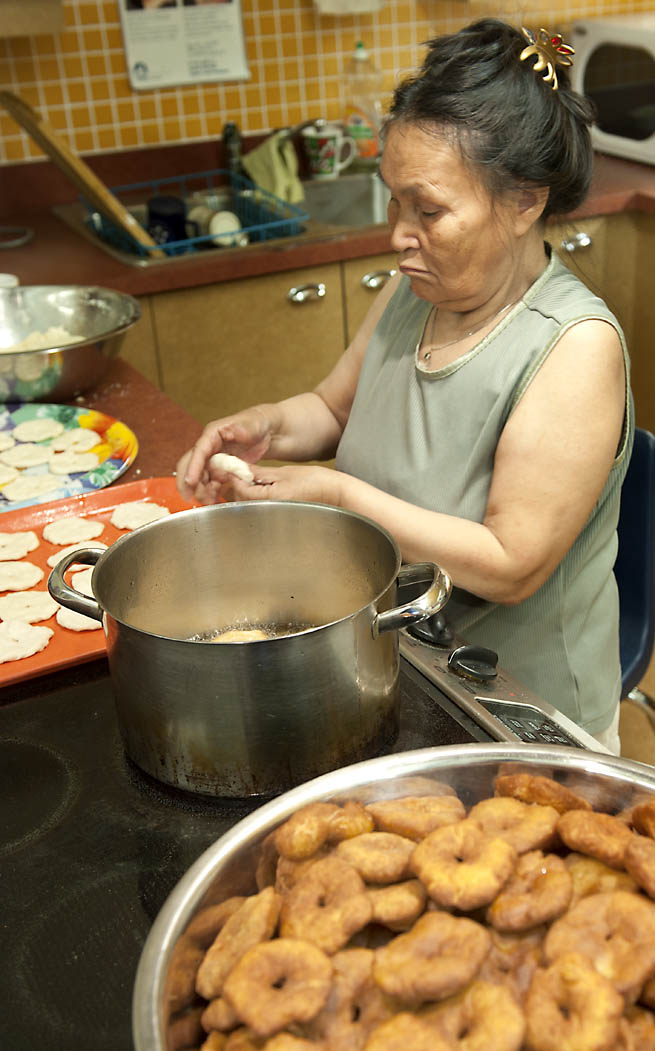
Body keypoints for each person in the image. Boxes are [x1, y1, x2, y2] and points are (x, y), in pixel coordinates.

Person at [177, 18, 633, 753]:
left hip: (513, 710)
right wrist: (266, 424)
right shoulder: (418, 288)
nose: (399, 234)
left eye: (428, 210)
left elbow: (511, 565)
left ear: (524, 202)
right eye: (394, 202)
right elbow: (332, 407)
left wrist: (338, 498)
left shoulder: (573, 347)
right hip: (392, 662)